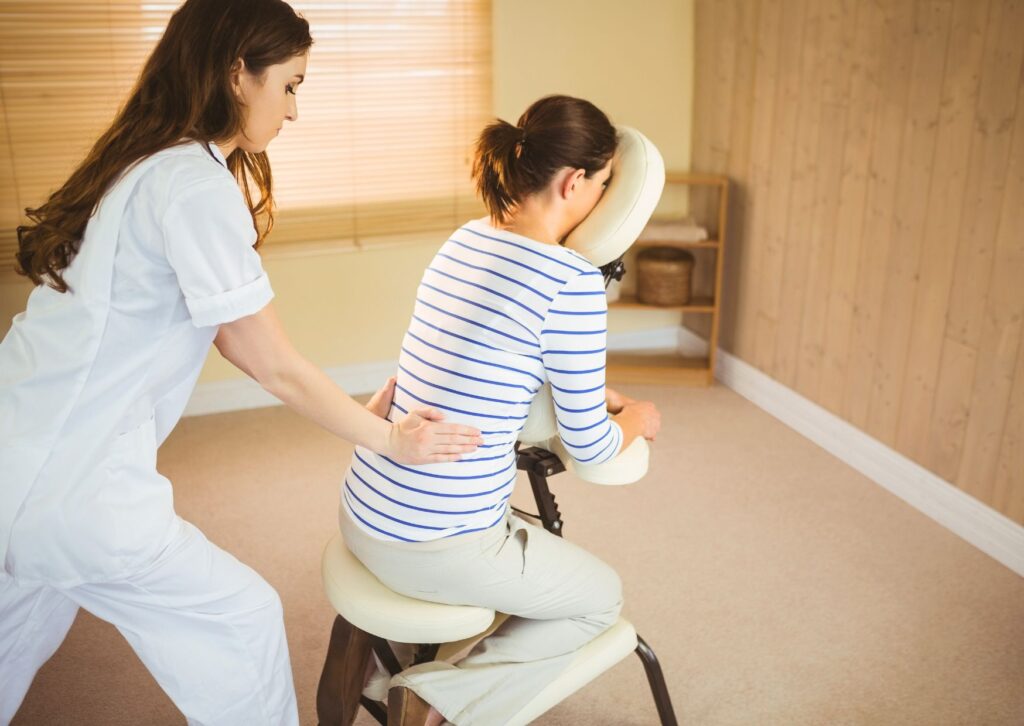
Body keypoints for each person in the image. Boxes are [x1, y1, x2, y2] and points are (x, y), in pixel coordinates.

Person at [0, 1, 481, 723]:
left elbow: (236, 338)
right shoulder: (192, 185)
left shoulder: (142, 162)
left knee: (16, 631)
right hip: (73, 489)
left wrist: (355, 413)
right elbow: (268, 360)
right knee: (242, 621)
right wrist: (387, 438)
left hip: (17, 452)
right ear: (236, 74)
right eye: (289, 85)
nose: (293, 111)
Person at [337, 95, 662, 726]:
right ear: (575, 183)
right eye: (603, 185)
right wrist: (637, 418)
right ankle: (435, 700)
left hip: (362, 508)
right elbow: (593, 447)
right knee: (600, 600)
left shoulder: (467, 237)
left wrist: (598, 393)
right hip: (434, 545)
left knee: (536, 556)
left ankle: (381, 672)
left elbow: (495, 361)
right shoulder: (570, 281)